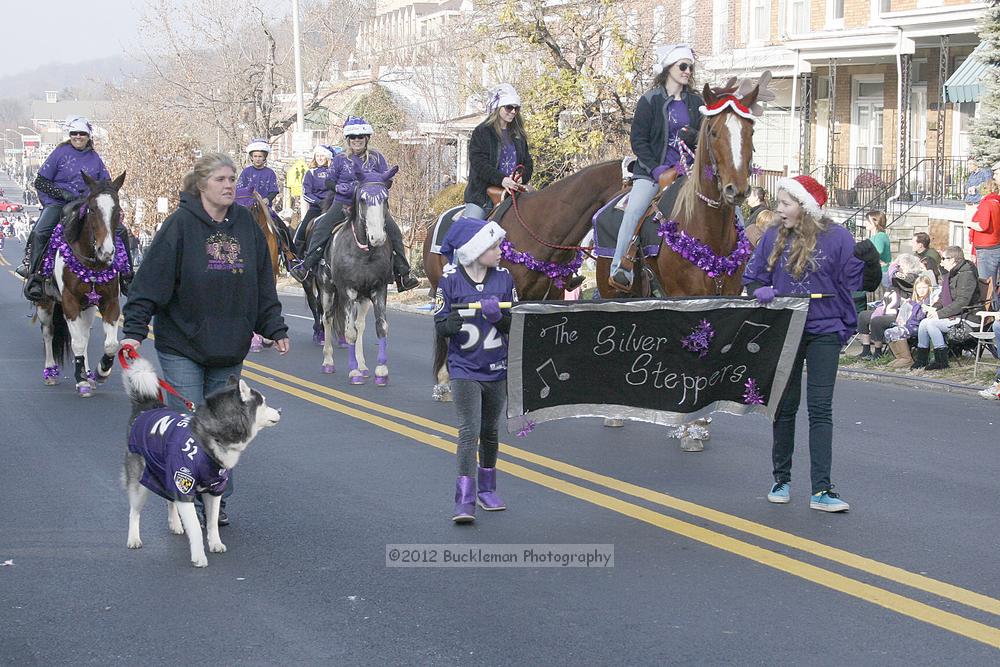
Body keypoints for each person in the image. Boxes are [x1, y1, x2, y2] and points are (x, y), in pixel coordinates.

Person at [120, 152, 290, 526]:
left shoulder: (246, 225)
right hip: (183, 343)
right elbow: (149, 283)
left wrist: (273, 326)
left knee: (227, 426)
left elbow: (262, 281)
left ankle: (216, 496)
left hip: (229, 345)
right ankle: (189, 499)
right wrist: (133, 333)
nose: (230, 185)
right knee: (191, 425)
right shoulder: (179, 226)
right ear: (201, 186)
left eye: (232, 178)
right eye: (221, 179)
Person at [743, 175, 869, 513]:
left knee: (820, 408)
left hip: (824, 329)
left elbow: (860, 282)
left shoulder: (838, 238)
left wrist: (869, 262)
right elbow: (752, 277)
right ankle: (781, 479)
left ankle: (822, 490)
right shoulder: (772, 236)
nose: (779, 209)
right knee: (785, 405)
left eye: (785, 203)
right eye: (779, 203)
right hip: (787, 326)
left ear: (805, 207)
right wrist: (759, 290)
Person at [434, 215, 516, 523]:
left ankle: (487, 489)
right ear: (474, 249)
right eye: (494, 245)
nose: (500, 251)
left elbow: (514, 325)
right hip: (464, 367)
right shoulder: (451, 280)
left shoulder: (505, 279)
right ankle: (464, 498)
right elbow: (440, 321)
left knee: (490, 431)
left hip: (496, 366)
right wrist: (448, 325)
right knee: (469, 431)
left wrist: (500, 318)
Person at [611, 44, 704, 290]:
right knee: (634, 211)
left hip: (689, 171)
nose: (687, 71)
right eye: (682, 66)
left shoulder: (696, 102)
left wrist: (694, 135)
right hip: (653, 172)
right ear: (668, 68)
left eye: (690, 67)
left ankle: (740, 261)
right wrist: (656, 170)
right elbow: (638, 141)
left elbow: (707, 135)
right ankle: (621, 267)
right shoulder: (649, 100)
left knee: (727, 207)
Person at [289, 116, 418, 292]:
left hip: (371, 206)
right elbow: (328, 181)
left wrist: (379, 186)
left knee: (393, 230)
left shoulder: (376, 157)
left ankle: (403, 274)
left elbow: (387, 180)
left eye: (360, 137)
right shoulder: (340, 159)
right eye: (353, 137)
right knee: (321, 227)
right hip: (343, 203)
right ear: (348, 140)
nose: (357, 140)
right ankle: (307, 266)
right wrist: (337, 188)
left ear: (367, 138)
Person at [17, 116, 134, 301]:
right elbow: (40, 181)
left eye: (82, 134)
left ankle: (127, 277)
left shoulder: (95, 158)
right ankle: (36, 276)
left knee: (121, 231)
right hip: (59, 203)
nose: (78, 136)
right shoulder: (59, 153)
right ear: (69, 135)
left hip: (87, 204)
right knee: (41, 231)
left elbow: (106, 184)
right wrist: (62, 194)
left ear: (88, 136)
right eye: (74, 133)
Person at [462, 83, 534, 219]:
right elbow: (479, 164)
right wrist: (502, 180)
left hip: (514, 194)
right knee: (469, 229)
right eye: (509, 107)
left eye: (516, 108)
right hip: (483, 197)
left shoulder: (518, 135)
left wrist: (521, 177)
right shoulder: (482, 132)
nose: (513, 111)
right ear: (498, 108)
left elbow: (528, 163)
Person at [911, 246, 980, 371]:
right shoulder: (952, 274)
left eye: (944, 258)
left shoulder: (967, 274)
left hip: (968, 316)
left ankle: (941, 360)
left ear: (953, 260)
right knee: (924, 323)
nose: (941, 262)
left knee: (932, 324)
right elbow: (943, 298)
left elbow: (962, 302)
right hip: (956, 313)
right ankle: (922, 359)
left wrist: (939, 314)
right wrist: (933, 308)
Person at [236, 139, 297, 259]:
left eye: (260, 156)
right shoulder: (245, 172)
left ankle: (290, 255)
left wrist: (267, 199)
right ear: (251, 157)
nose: (258, 158)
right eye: (255, 156)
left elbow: (274, 190)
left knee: (282, 227)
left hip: (264, 207)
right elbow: (239, 190)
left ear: (265, 158)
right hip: (246, 208)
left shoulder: (270, 173)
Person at [883, 273, 934, 369]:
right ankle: (900, 357)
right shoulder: (913, 300)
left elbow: (921, 317)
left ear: (929, 288)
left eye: (924, 288)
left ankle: (907, 359)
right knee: (888, 332)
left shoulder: (929, 300)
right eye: (919, 288)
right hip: (909, 324)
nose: (921, 290)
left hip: (920, 327)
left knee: (898, 332)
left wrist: (923, 308)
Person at [292, 145, 336, 255]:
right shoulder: (311, 173)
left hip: (333, 207)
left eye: (322, 156)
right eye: (317, 156)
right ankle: (297, 257)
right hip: (316, 207)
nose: (320, 158)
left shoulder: (335, 172)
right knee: (302, 230)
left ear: (328, 157)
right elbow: (306, 193)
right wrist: (318, 202)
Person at [966, 165, 1000, 285]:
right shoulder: (997, 202)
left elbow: (983, 226)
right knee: (994, 283)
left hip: (986, 249)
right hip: (995, 246)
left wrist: (969, 223)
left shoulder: (987, 204)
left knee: (986, 284)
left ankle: (989, 304)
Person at [864, 210, 892, 274]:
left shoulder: (880, 236)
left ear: (876, 222)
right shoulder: (876, 236)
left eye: (868, 221)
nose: (865, 223)